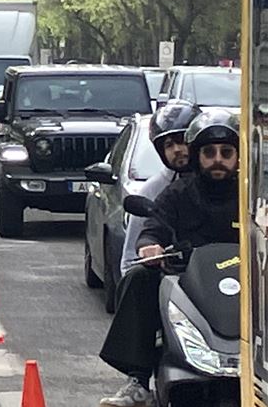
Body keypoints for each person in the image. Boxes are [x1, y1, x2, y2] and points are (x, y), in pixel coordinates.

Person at [99, 109, 241, 407]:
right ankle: (138, 380)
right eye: (209, 152)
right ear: (197, 156)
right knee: (139, 278)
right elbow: (154, 226)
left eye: (226, 152)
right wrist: (150, 246)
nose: (218, 159)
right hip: (189, 284)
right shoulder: (177, 193)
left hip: (246, 282)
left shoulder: (252, 195)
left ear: (238, 156)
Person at [120, 100, 201, 275]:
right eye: (169, 145)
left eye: (182, 141)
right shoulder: (153, 192)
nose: (177, 149)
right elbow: (129, 262)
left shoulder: (231, 183)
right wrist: (149, 249)